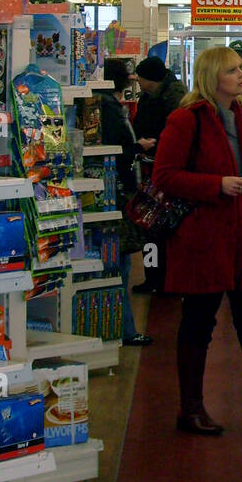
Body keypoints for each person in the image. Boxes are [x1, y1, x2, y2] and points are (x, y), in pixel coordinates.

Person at [152, 46, 242, 436]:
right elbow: (165, 176)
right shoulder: (186, 119)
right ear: (212, 76)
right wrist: (216, 185)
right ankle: (190, 408)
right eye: (231, 70)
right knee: (198, 321)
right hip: (204, 237)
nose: (241, 76)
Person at [99, 61, 151, 348]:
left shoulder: (108, 104)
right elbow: (118, 149)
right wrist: (136, 147)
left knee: (119, 263)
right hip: (118, 194)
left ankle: (122, 328)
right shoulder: (109, 108)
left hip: (115, 192)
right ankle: (125, 329)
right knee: (119, 263)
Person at [132, 55, 186, 294]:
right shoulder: (154, 96)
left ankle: (163, 279)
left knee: (159, 228)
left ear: (151, 79)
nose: (138, 83)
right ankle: (155, 278)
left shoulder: (174, 99)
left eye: (141, 79)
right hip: (150, 167)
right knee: (152, 228)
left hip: (164, 171)